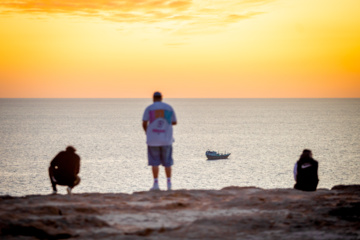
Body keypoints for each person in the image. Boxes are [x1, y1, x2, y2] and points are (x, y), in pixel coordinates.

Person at [142, 91, 177, 191]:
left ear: (153, 98)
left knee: (154, 162)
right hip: (166, 139)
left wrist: (147, 132)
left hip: (153, 139)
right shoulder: (169, 108)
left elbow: (144, 123)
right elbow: (174, 122)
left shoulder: (149, 108)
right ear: (161, 98)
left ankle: (156, 184)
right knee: (167, 162)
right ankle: (169, 183)